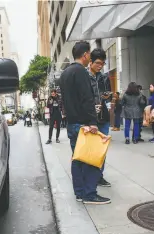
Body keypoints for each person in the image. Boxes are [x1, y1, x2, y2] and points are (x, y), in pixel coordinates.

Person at [59, 41, 111, 204]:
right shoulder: (80, 72)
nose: (89, 57)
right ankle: (89, 194)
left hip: (72, 122)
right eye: (89, 54)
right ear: (85, 55)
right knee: (90, 159)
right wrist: (92, 122)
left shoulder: (65, 73)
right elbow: (87, 98)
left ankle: (80, 192)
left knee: (78, 158)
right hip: (84, 124)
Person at [87, 48, 112, 187]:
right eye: (97, 63)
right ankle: (90, 176)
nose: (100, 66)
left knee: (102, 149)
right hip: (90, 118)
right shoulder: (84, 76)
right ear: (90, 62)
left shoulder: (104, 77)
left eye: (102, 63)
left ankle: (99, 176)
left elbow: (109, 95)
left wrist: (108, 96)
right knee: (90, 149)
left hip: (104, 117)